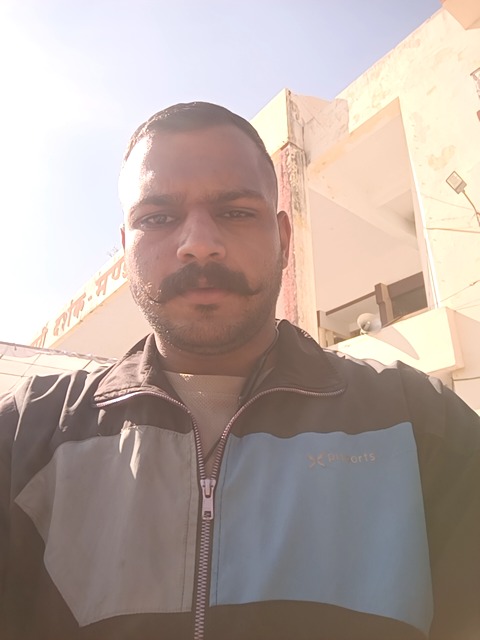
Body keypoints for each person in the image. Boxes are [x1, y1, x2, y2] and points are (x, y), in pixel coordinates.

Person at [0, 102, 479, 640]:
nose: (199, 244)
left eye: (235, 212)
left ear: (284, 240)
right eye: (156, 218)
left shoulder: (419, 423)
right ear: (126, 248)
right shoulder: (26, 436)